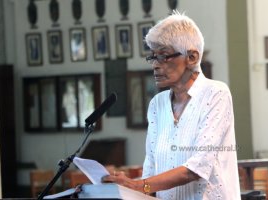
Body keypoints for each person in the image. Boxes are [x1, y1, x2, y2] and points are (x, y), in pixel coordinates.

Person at [102, 11, 241, 200]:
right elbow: (151, 170)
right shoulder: (157, 105)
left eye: (164, 56)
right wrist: (124, 186)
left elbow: (196, 168)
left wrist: (137, 185)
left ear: (191, 57)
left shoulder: (216, 94)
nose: (155, 65)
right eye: (153, 57)